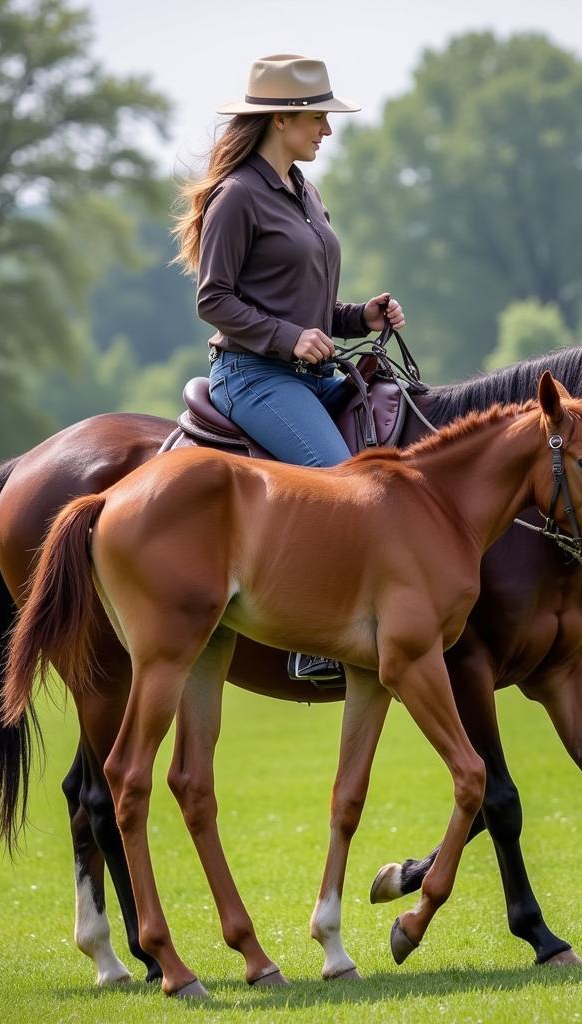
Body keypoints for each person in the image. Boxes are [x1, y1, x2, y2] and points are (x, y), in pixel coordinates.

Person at [172, 54, 406, 681]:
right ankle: (314, 638)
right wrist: (287, 339)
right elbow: (213, 299)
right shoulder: (237, 197)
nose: (327, 131)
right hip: (253, 377)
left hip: (308, 376)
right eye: (318, 119)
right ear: (281, 119)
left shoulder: (305, 190)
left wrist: (363, 317)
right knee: (342, 485)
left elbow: (310, 309)